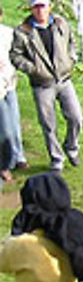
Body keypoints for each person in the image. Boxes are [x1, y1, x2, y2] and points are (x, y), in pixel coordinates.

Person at [11, 0, 83, 171]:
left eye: (42, 6)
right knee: (48, 123)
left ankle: (72, 147)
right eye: (36, 7)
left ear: (49, 7)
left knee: (76, 117)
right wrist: (33, 69)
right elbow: (15, 55)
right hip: (42, 84)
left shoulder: (60, 23)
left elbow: (72, 42)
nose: (40, 10)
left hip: (64, 79)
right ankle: (57, 158)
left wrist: (71, 59)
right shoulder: (23, 32)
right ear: (31, 9)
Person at [0, 22, 27, 182]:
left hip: (9, 83)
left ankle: (18, 157)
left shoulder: (8, 33)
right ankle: (4, 166)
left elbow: (20, 50)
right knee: (5, 129)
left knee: (14, 121)